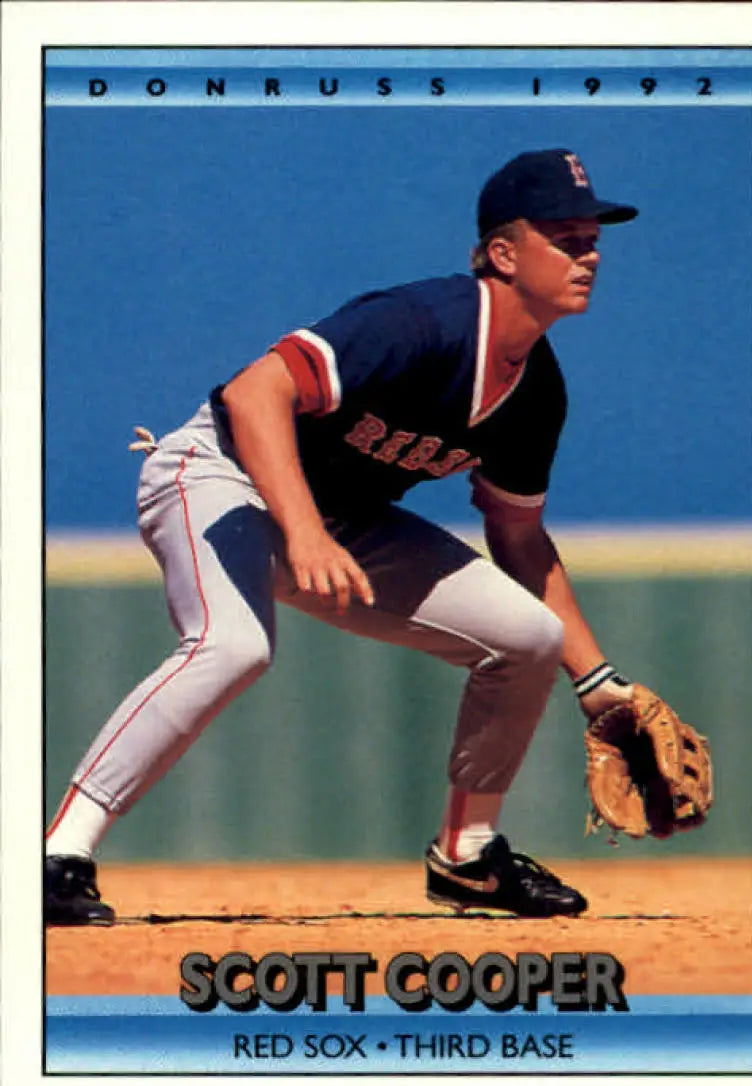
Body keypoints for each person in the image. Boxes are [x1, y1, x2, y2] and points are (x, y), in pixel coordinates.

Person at [45, 148, 640, 925]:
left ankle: (466, 856)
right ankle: (59, 852)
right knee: (233, 645)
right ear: (503, 251)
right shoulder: (424, 321)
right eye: (566, 236)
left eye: (593, 237)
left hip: (336, 519)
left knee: (530, 637)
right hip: (218, 472)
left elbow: (519, 536)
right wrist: (300, 531)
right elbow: (255, 392)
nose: (588, 253)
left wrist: (601, 687)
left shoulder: (537, 390)